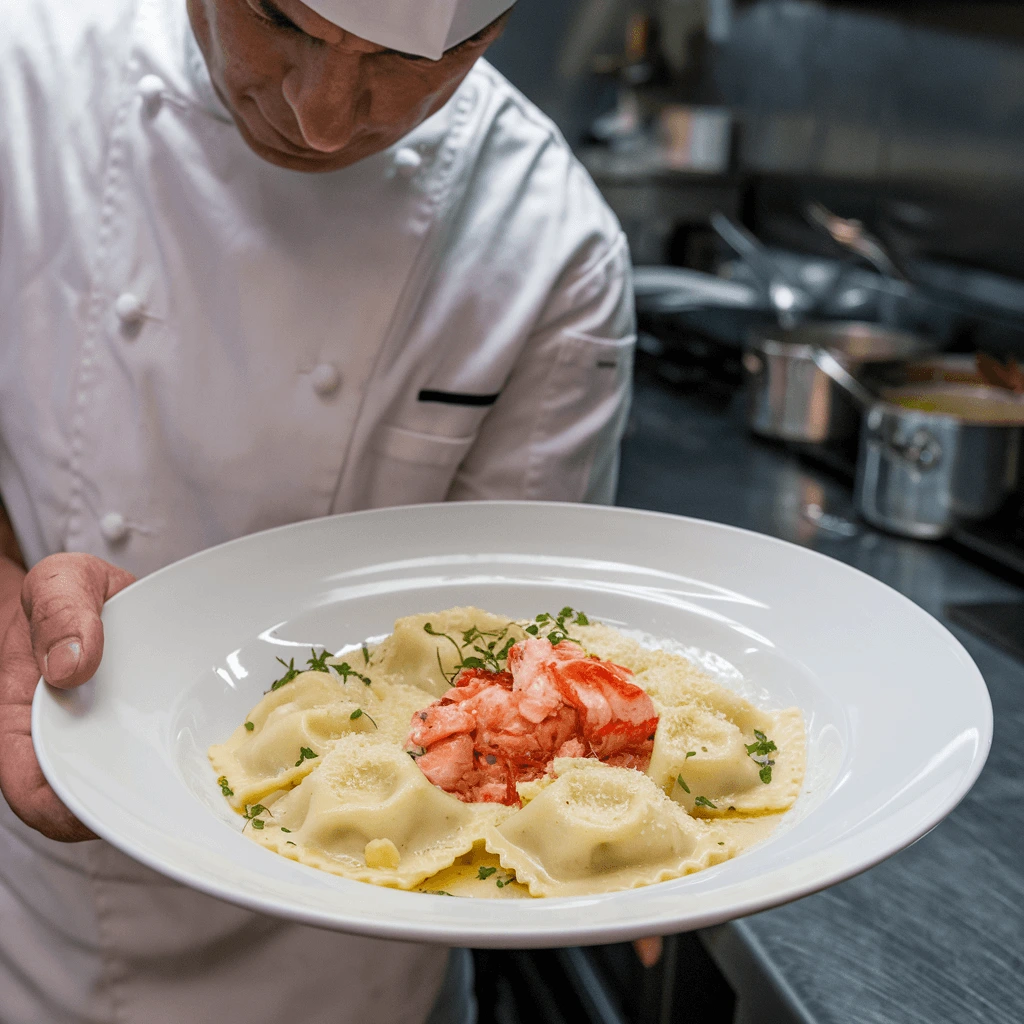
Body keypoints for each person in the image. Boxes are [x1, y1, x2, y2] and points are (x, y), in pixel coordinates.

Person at [0, 0, 637, 1020]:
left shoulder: (553, 249)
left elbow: (519, 652)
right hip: (38, 915)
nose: (325, 117)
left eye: (405, 60)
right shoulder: (20, 80)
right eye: (281, 23)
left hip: (366, 931)